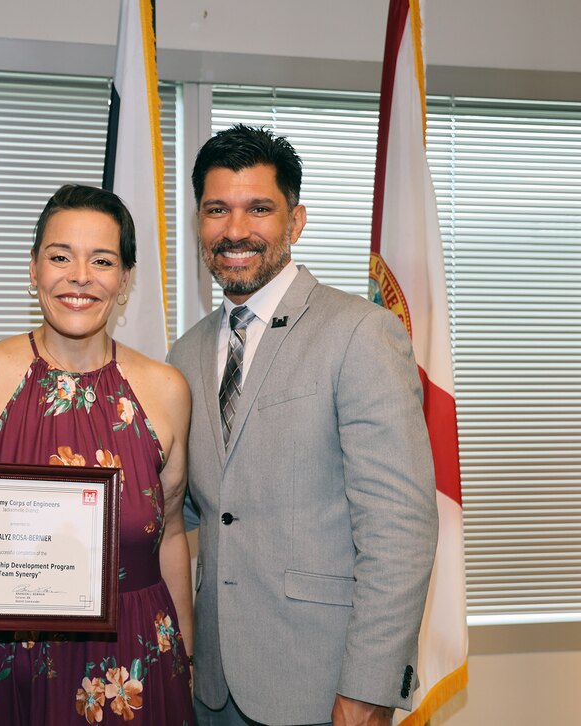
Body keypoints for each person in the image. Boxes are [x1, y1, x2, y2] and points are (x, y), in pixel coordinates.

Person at [167, 124, 438, 726]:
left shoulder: (361, 334)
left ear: (295, 221)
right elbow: (181, 509)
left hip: (323, 688)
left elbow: (401, 528)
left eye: (258, 208)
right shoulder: (183, 356)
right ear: (198, 223)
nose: (235, 231)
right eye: (217, 210)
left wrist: (367, 691)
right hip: (212, 686)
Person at [0, 184, 195, 725]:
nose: (80, 276)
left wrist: (184, 658)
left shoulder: (166, 390)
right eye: (60, 257)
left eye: (102, 260)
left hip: (131, 667)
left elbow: (169, 534)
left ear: (125, 280)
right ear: (33, 270)